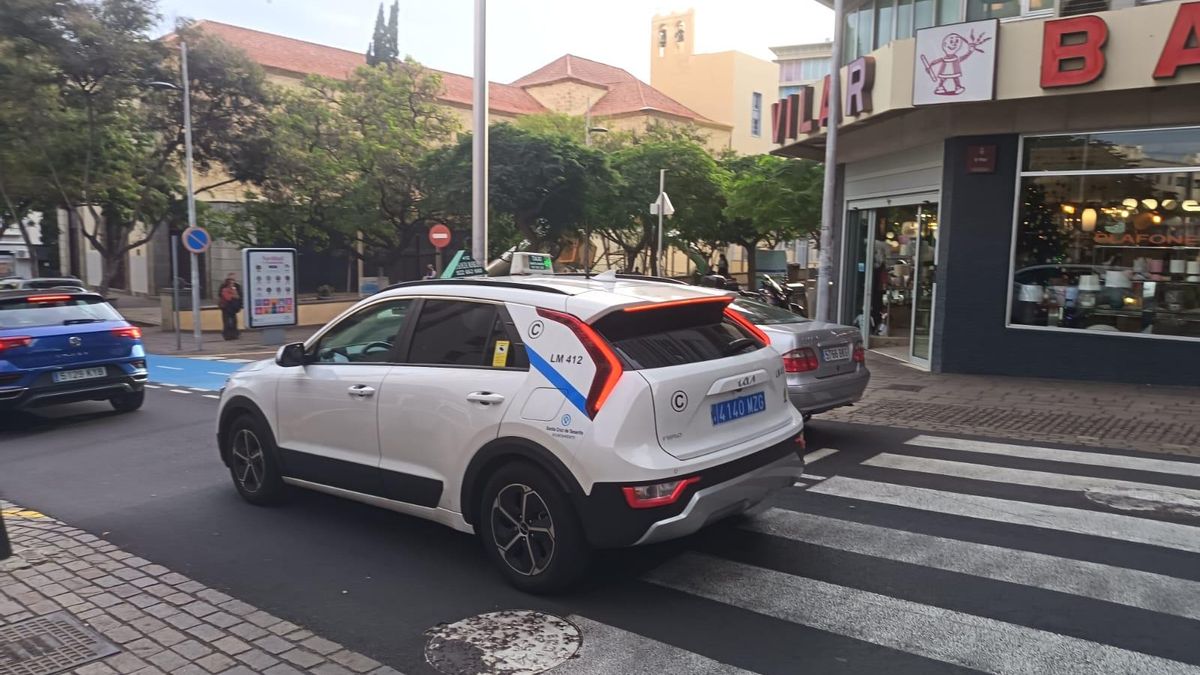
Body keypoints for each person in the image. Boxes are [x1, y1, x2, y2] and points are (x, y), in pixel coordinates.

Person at [218, 274, 243, 341]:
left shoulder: (237, 286)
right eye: (231, 280)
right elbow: (227, 297)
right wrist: (233, 294)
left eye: (233, 280)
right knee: (227, 322)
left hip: (233, 307)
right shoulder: (224, 288)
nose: (232, 282)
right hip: (226, 307)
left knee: (234, 321)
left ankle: (234, 334)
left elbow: (239, 296)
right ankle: (227, 335)